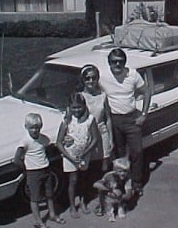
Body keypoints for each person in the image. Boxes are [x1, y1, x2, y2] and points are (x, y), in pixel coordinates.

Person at [99, 48, 151, 197]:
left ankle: (136, 183)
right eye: (114, 61)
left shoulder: (133, 74)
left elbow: (146, 92)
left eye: (120, 61)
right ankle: (119, 183)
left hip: (131, 119)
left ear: (125, 62)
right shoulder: (103, 76)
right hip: (114, 120)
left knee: (137, 152)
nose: (117, 64)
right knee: (119, 154)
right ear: (109, 63)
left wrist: (144, 114)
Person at [13, 113, 66, 228]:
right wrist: (26, 170)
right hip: (33, 172)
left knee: (49, 194)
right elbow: (16, 159)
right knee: (35, 198)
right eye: (31, 127)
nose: (35, 130)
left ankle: (52, 214)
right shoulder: (24, 142)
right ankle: (38, 220)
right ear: (26, 127)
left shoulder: (43, 138)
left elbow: (47, 149)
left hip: (46, 169)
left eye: (37, 127)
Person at [56, 92, 99, 219]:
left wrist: (84, 153)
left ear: (84, 106)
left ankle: (83, 201)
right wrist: (69, 157)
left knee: (83, 179)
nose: (76, 110)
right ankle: (72, 206)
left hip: (84, 156)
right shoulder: (66, 121)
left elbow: (95, 139)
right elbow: (59, 142)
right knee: (73, 180)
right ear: (69, 107)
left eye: (79, 107)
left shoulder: (90, 119)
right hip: (69, 156)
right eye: (73, 107)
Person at [80, 64, 114, 216]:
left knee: (102, 169)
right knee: (85, 171)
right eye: (87, 78)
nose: (91, 81)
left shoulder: (103, 96)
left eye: (94, 78)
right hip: (86, 136)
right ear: (83, 80)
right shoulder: (80, 97)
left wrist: (111, 138)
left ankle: (101, 201)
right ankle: (83, 199)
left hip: (102, 135)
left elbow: (107, 118)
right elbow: (71, 118)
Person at [93, 157, 133, 222]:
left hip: (120, 195)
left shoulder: (128, 178)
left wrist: (119, 196)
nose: (123, 173)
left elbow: (128, 195)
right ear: (115, 171)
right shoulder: (108, 175)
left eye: (125, 171)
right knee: (100, 189)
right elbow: (95, 184)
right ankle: (104, 206)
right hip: (109, 194)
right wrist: (110, 190)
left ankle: (121, 206)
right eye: (120, 171)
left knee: (128, 194)